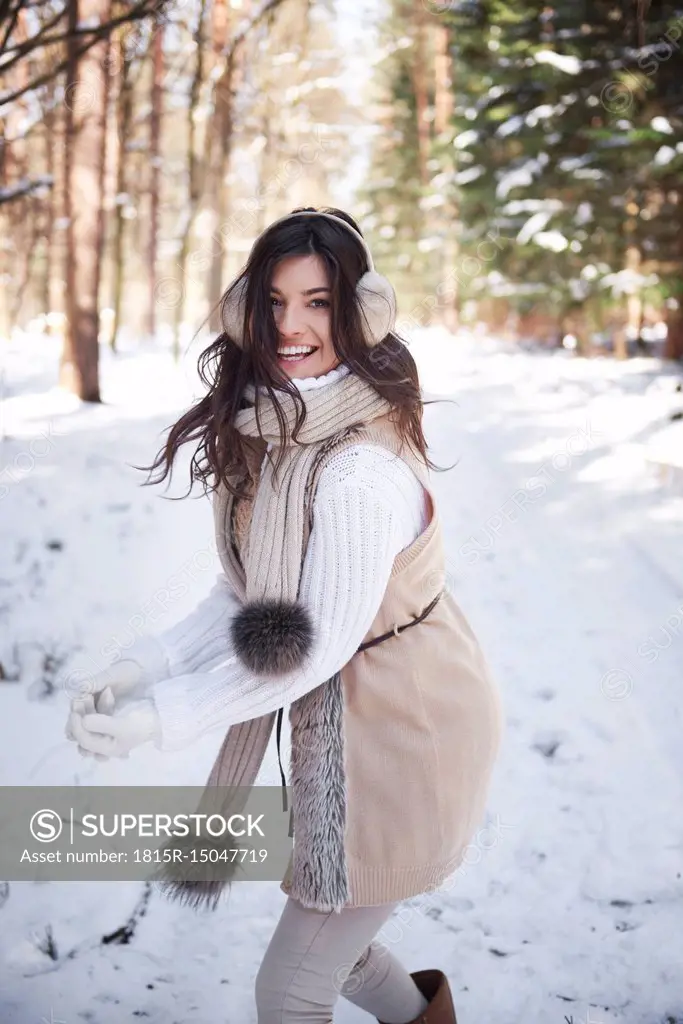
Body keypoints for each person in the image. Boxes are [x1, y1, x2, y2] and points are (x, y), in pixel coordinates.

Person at [65, 206, 504, 1024]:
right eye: (273, 301)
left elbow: (313, 645)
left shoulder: (353, 470)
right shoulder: (282, 433)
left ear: (359, 315)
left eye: (317, 302)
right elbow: (247, 598)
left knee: (292, 986)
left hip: (401, 737)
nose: (290, 326)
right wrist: (141, 668)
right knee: (337, 955)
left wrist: (162, 715)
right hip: (343, 730)